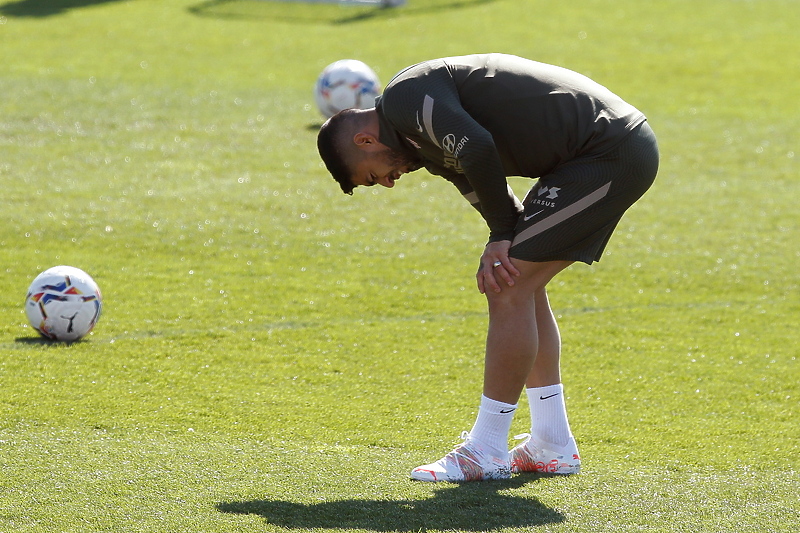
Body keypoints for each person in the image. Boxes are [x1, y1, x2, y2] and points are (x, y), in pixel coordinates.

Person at [316, 53, 659, 482]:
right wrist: (504, 237)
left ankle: (486, 449)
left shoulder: (405, 99)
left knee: (507, 285)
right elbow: (477, 182)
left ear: (365, 141)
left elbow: (477, 146)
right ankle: (552, 443)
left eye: (372, 177)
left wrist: (501, 238)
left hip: (610, 149)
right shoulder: (424, 145)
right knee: (517, 282)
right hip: (592, 155)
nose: (386, 183)